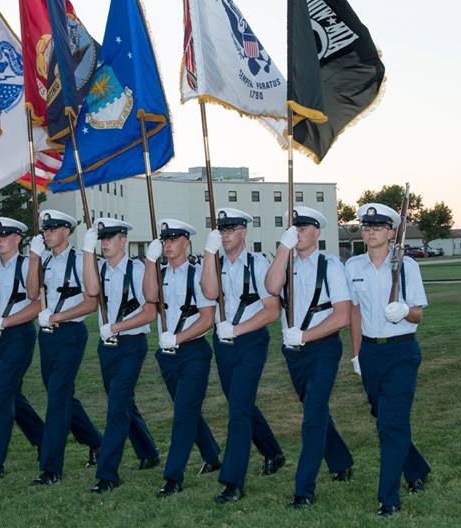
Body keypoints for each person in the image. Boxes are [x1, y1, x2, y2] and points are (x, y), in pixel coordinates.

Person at [265, 207, 355, 510]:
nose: (298, 233)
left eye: (304, 228)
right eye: (295, 228)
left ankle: (304, 489)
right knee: (317, 412)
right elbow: (271, 288)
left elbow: (342, 316)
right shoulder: (284, 263)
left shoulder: (330, 266)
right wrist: (282, 249)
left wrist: (304, 336)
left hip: (323, 350)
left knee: (312, 418)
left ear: (316, 232)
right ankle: (341, 461)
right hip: (293, 355)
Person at [345, 203, 431, 518]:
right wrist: (356, 354)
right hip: (370, 352)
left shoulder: (406, 266)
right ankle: (417, 468)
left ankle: (388, 498)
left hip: (401, 352)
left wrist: (405, 311)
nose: (370, 231)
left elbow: (419, 314)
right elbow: (353, 313)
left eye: (378, 227)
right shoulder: (352, 266)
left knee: (391, 424)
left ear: (391, 232)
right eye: (366, 227)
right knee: (384, 420)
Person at [200, 208, 286, 504]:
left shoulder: (258, 264)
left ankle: (232, 481)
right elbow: (210, 292)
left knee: (237, 410)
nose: (225, 235)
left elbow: (272, 310)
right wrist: (209, 255)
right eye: (221, 231)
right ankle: (273, 452)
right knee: (241, 403)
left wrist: (237, 330)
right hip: (223, 342)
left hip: (250, 341)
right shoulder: (215, 262)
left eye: (231, 230)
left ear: (244, 232)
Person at [142, 219, 222, 498]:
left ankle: (172, 476)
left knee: (183, 415)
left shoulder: (199, 275)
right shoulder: (160, 272)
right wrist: (150, 263)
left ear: (186, 242)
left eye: (173, 239)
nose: (167, 245)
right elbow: (150, 297)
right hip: (167, 356)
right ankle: (211, 454)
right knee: (187, 410)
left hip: (193, 354)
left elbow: (207, 319)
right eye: (164, 240)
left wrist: (177, 338)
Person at [82, 218, 160, 494]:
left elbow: (150, 311)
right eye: (101, 239)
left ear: (124, 239)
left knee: (116, 406)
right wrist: (87, 252)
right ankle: (148, 451)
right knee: (123, 402)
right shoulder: (100, 269)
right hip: (108, 347)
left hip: (131, 344)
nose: (105, 243)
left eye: (110, 237)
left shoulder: (138, 270)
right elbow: (91, 293)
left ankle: (107, 474)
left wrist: (117, 326)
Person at [26, 210, 103, 486]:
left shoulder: (81, 260)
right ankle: (96, 441)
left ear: (67, 231)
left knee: (57, 398)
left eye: (53, 228)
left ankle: (51, 468)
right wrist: (34, 257)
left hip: (71, 334)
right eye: (44, 229)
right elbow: (32, 293)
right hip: (47, 337)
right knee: (61, 395)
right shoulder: (43, 259)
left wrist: (57, 316)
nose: (46, 233)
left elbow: (91, 302)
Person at [0, 217, 45, 483]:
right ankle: (43, 438)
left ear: (18, 238)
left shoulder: (28, 265)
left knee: (2, 397)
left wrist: (7, 321)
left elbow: (38, 305)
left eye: (4, 235)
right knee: (11, 393)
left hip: (18, 334)